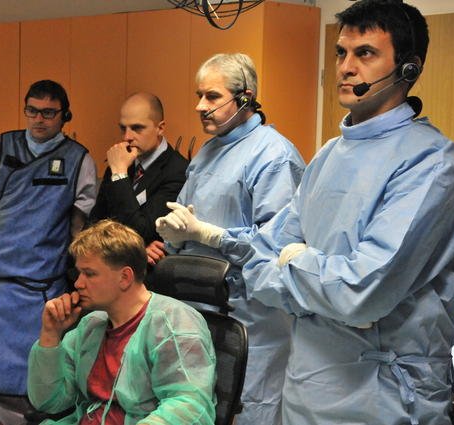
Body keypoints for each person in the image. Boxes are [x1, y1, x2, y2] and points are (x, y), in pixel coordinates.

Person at [238, 1, 454, 424]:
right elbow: (256, 265)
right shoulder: (328, 155)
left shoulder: (434, 164)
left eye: (365, 53)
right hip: (304, 391)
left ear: (409, 69)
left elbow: (362, 292)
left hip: (383, 400)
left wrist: (295, 262)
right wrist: (320, 285)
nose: (345, 67)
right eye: (341, 52)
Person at [154, 52, 306, 425]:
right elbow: (188, 216)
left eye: (212, 96)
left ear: (245, 98)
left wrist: (212, 235)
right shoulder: (209, 151)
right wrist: (173, 233)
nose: (199, 106)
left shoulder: (274, 156)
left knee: (247, 410)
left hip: (250, 319)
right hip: (199, 310)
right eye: (198, 96)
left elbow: (276, 246)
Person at [0, 80, 97, 425]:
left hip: (44, 283)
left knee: (40, 377)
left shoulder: (78, 159)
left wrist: (76, 263)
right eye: (32, 111)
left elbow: (78, 223)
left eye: (49, 113)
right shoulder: (2, 145)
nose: (39, 119)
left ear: (65, 116)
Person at [27, 220, 216, 424]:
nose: (78, 283)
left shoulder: (174, 324)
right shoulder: (92, 325)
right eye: (79, 273)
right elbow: (49, 401)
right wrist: (50, 334)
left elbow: (190, 406)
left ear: (125, 277)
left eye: (89, 274)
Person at [89, 92, 188, 264]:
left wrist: (119, 174)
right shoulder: (121, 163)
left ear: (160, 128)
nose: (127, 137)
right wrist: (136, 248)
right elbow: (93, 226)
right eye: (123, 128)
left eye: (137, 128)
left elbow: (143, 232)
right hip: (108, 266)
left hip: (147, 274)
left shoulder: (178, 171)